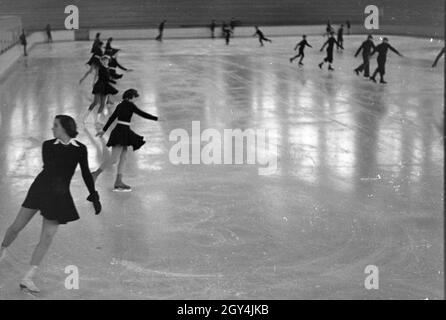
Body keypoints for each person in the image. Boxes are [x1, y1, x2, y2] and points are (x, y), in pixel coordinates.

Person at [0, 115, 101, 293]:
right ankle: (2, 249)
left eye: (55, 125)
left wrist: (93, 194)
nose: (52, 128)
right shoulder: (48, 145)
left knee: (47, 238)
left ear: (64, 128)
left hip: (59, 196)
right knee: (16, 227)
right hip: (40, 190)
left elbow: (85, 173)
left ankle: (28, 277)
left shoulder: (80, 149)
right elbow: (52, 167)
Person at [92, 89, 159, 191]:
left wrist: (104, 131)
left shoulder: (120, 104)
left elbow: (111, 118)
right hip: (121, 132)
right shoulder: (130, 105)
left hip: (123, 131)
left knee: (123, 158)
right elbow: (141, 113)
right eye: (135, 98)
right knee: (114, 159)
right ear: (131, 97)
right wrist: (156, 118)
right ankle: (95, 174)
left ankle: (119, 181)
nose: (135, 100)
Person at [82, 56, 118, 125]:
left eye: (107, 60)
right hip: (99, 86)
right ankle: (85, 117)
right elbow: (104, 77)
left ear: (108, 61)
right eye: (104, 60)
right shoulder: (101, 68)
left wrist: (113, 81)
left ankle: (97, 120)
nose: (105, 61)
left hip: (106, 86)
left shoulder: (108, 68)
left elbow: (108, 77)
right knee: (95, 102)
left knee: (103, 104)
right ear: (102, 61)